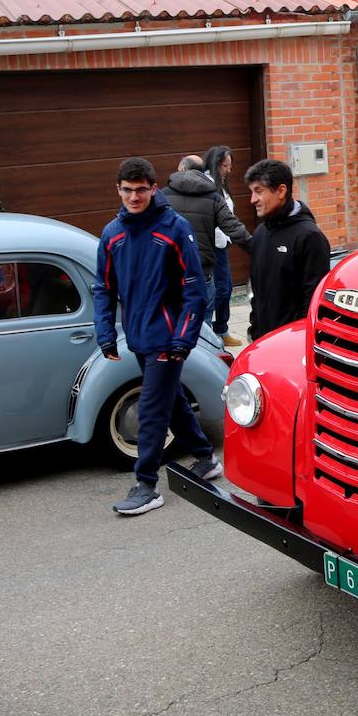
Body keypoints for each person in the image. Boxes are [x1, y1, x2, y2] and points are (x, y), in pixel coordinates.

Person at [92, 157, 221, 516]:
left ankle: (146, 484)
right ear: (118, 190)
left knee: (150, 408)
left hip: (167, 338)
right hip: (136, 336)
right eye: (127, 190)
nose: (134, 197)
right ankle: (206, 459)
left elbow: (195, 290)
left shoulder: (174, 228)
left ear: (153, 188)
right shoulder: (111, 234)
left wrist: (183, 338)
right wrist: (105, 333)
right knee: (171, 399)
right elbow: (102, 287)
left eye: (141, 189)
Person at [161, 154, 251, 346]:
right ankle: (206, 355)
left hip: (170, 271)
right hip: (202, 270)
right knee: (203, 322)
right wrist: (258, 249)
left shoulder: (162, 196)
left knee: (172, 319)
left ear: (181, 168)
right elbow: (235, 229)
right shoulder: (213, 198)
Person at [242, 159, 331, 341]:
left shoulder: (310, 237)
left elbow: (313, 301)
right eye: (252, 192)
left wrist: (298, 339)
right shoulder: (260, 233)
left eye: (259, 191)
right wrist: (255, 330)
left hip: (291, 343)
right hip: (263, 340)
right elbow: (257, 292)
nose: (253, 200)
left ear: (281, 191)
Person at [202, 145, 243, 346]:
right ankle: (211, 332)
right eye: (226, 166)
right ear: (216, 164)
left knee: (224, 287)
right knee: (219, 289)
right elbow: (210, 215)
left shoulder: (221, 183)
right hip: (213, 245)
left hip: (222, 243)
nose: (229, 170)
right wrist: (222, 238)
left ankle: (221, 329)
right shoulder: (207, 184)